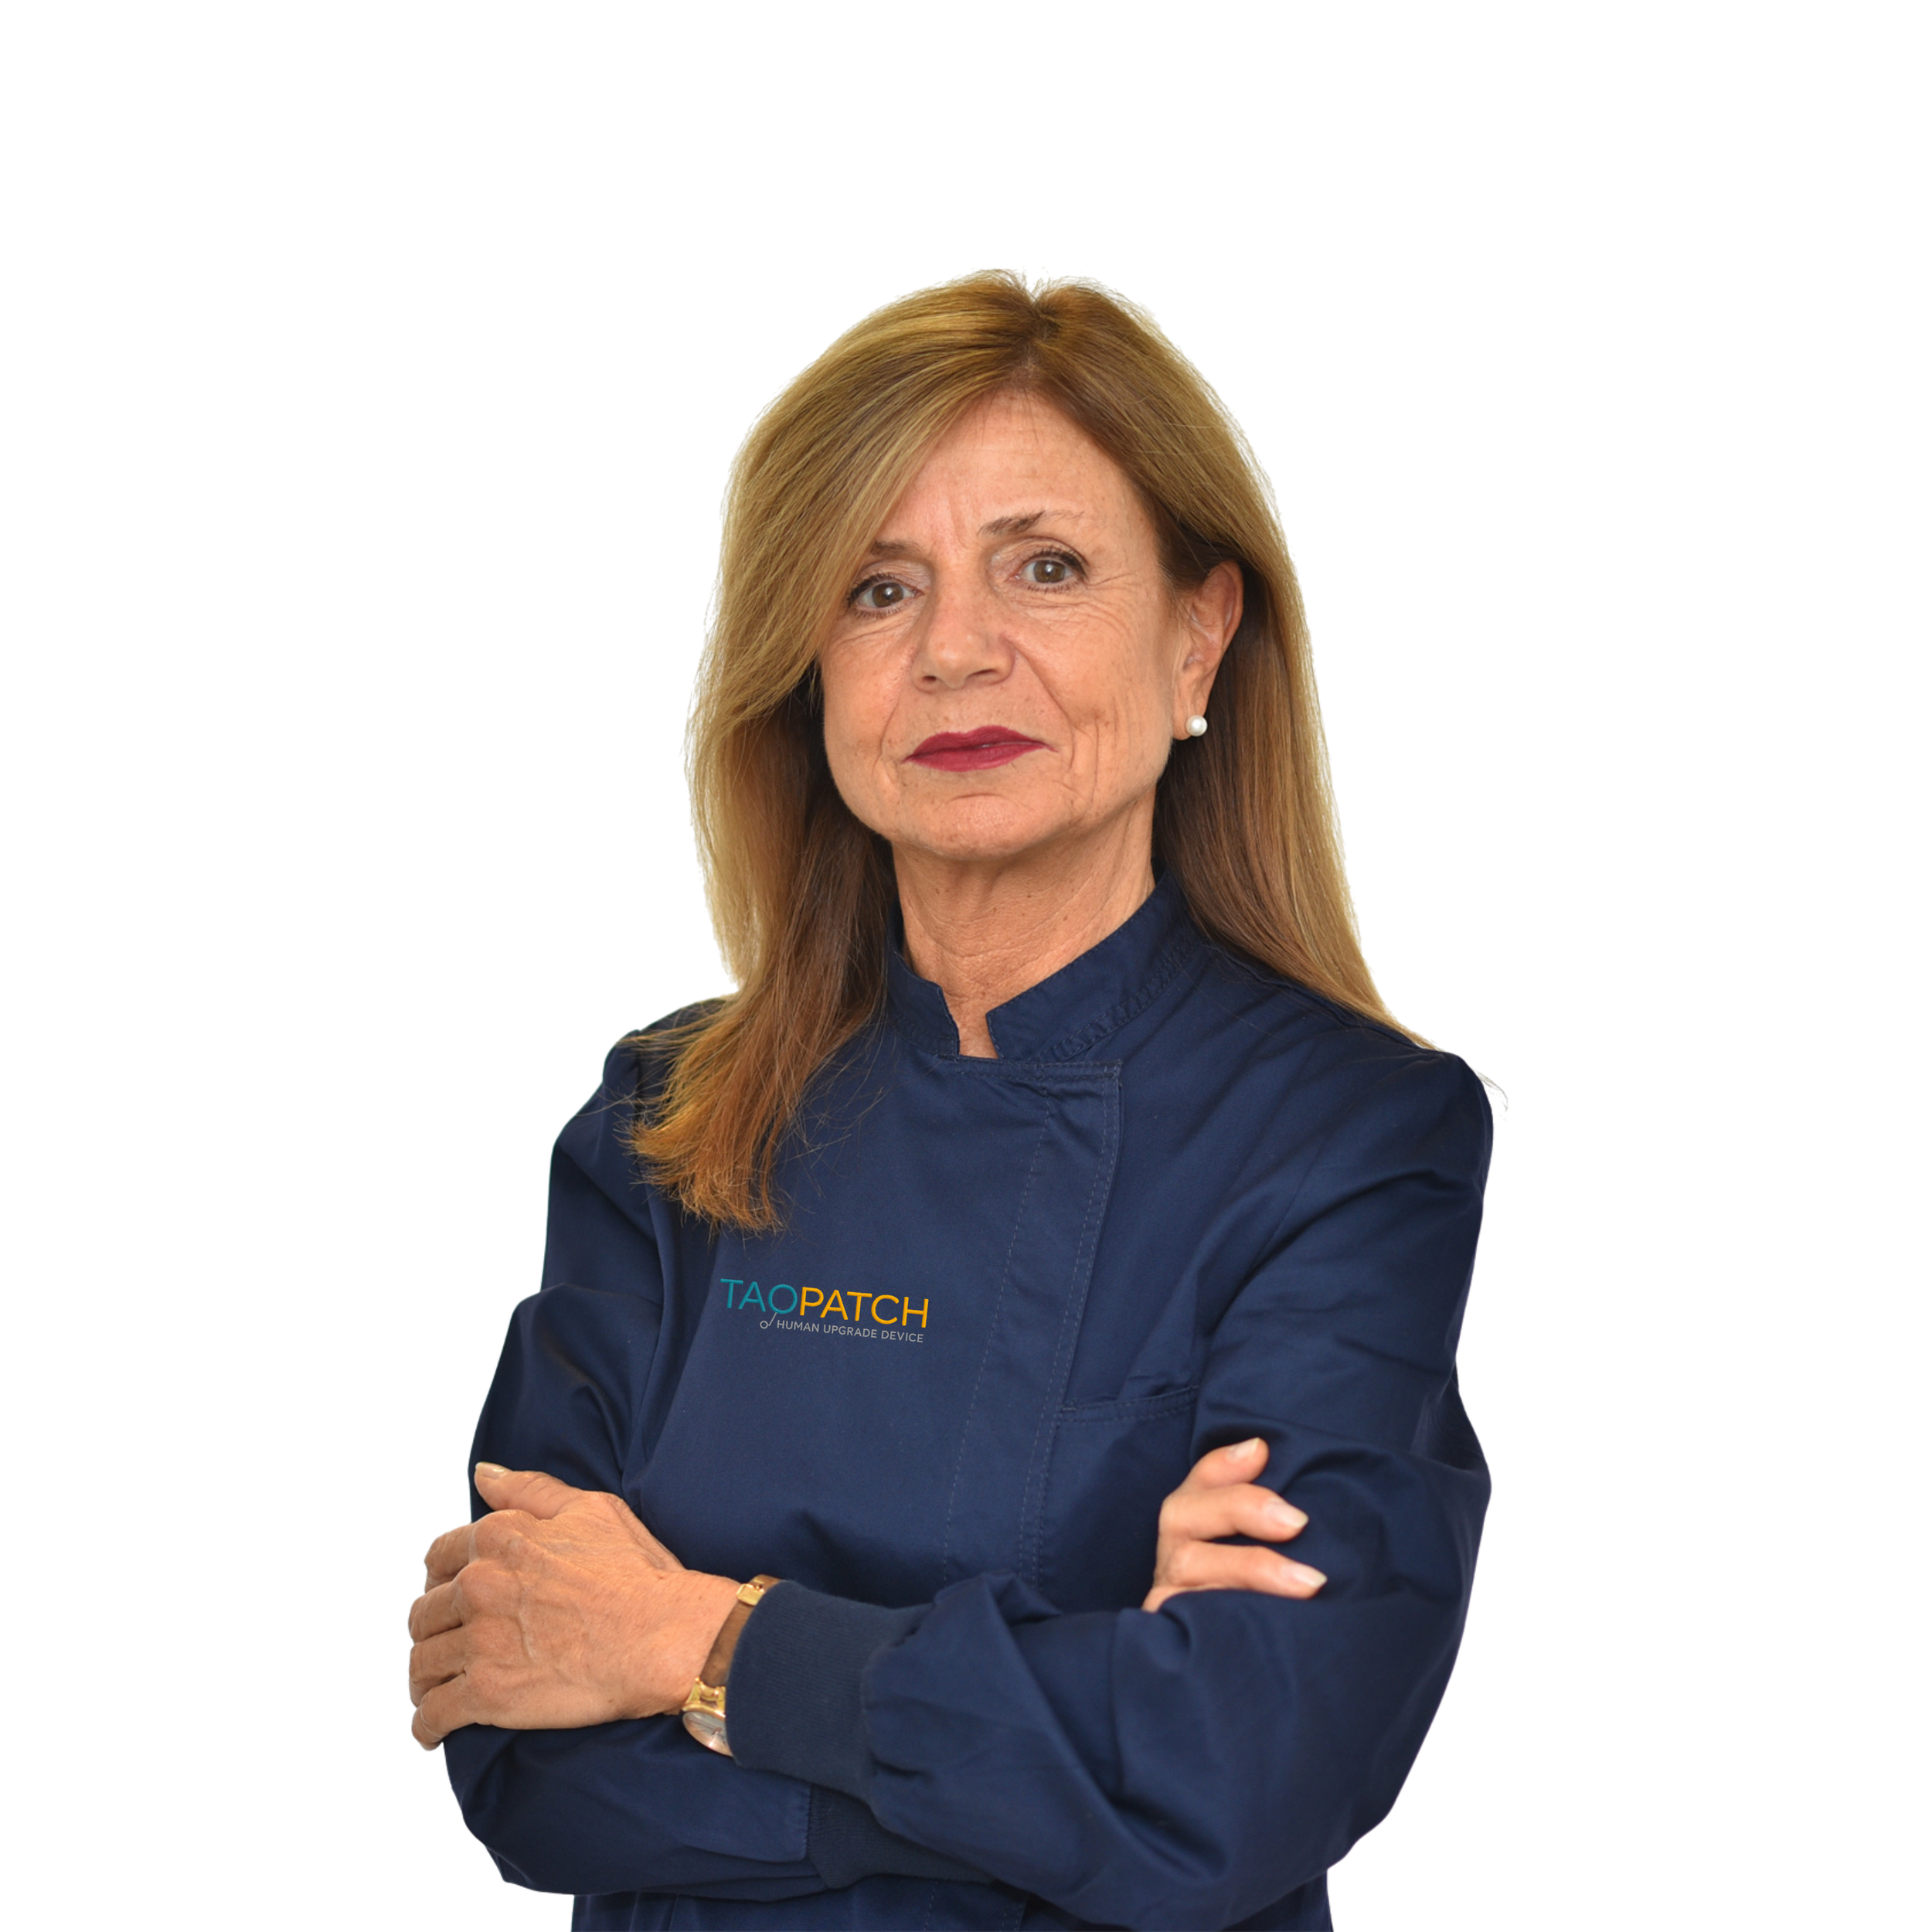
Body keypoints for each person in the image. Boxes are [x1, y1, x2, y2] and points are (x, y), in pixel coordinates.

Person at [406, 269, 1494, 1931]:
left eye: (1043, 566)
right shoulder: (659, 1118)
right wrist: (1077, 1717)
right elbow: (512, 1753)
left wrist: (690, 1640)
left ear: (1198, 632)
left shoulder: (1353, 1135)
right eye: (875, 587)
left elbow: (1245, 1774)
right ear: (803, 670)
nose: (955, 651)